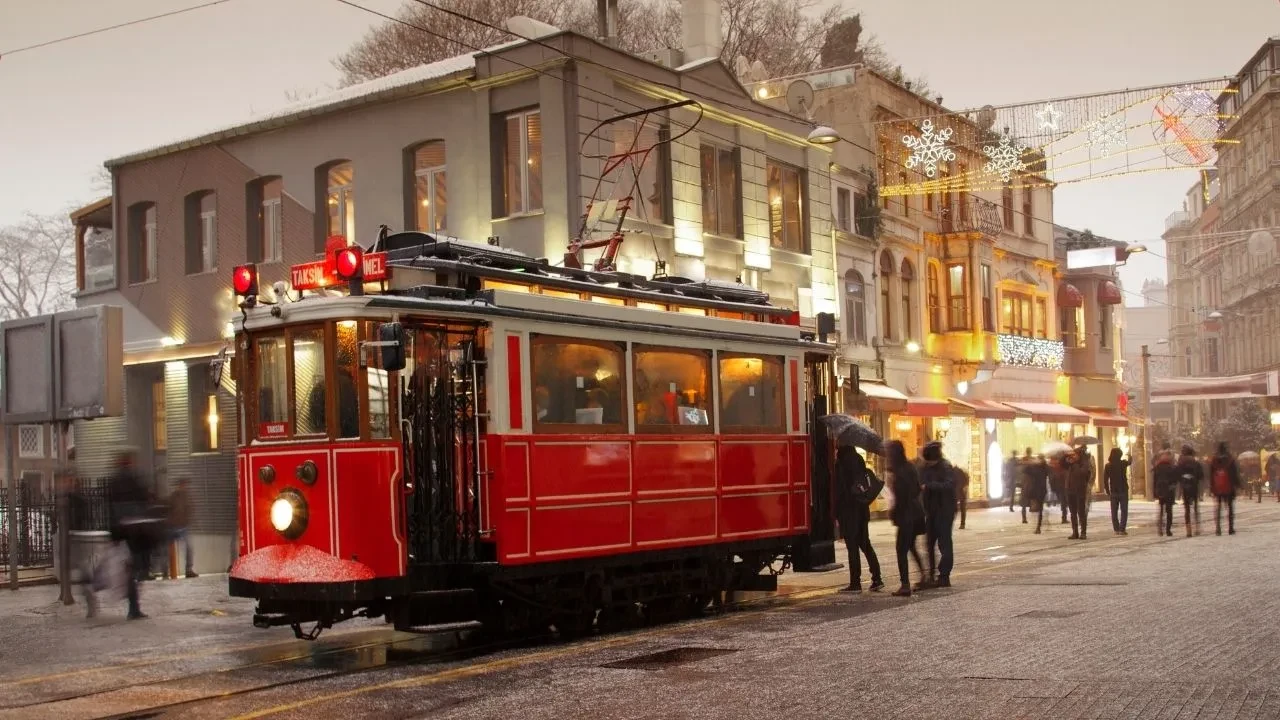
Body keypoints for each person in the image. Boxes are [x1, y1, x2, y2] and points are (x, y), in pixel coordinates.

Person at [108, 449, 151, 620]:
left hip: (121, 531)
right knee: (136, 567)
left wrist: (113, 535)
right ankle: (134, 605)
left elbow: (110, 507)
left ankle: (132, 602)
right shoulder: (135, 478)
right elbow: (144, 501)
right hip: (136, 531)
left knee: (128, 568)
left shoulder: (114, 481)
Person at [833, 446, 883, 593]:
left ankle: (855, 583)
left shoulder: (841, 463)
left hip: (849, 512)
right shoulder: (859, 459)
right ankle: (877, 578)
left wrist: (836, 513)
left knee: (852, 547)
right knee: (865, 544)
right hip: (861, 509)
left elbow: (840, 491)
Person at [886, 440, 926, 597]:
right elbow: (917, 489)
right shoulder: (910, 467)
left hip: (906, 515)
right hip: (916, 512)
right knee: (910, 546)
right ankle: (923, 575)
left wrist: (893, 510)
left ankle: (905, 585)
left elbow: (901, 496)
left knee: (901, 549)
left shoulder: (899, 471)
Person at [919, 442, 956, 589]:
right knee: (929, 543)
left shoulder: (946, 467)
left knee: (944, 543)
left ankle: (944, 576)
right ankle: (931, 574)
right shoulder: (926, 467)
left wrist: (930, 486)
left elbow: (949, 485)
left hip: (945, 510)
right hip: (931, 511)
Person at [1208, 442, 1242, 536]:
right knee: (1230, 507)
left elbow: (1211, 475)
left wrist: (1211, 487)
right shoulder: (1230, 459)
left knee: (1218, 507)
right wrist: (1238, 485)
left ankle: (1218, 528)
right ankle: (1230, 528)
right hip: (1229, 486)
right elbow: (1234, 473)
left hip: (1217, 487)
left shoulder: (1214, 460)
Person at [168, 477, 197, 578]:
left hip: (184, 526)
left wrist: (189, 520)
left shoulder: (188, 497)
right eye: (182, 485)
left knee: (189, 547)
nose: (184, 487)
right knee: (168, 549)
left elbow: (191, 509)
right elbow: (168, 510)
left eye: (185, 485)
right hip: (173, 526)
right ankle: (169, 571)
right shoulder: (173, 496)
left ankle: (188, 570)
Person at [1176, 445, 1203, 537]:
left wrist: (1182, 480)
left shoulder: (1181, 462)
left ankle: (1189, 530)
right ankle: (1197, 528)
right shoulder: (1195, 462)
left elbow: (1177, 474)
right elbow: (1201, 475)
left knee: (1187, 509)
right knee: (1195, 507)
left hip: (1185, 487)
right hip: (1194, 486)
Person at [1104, 448, 1131, 536]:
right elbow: (1130, 462)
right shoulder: (1123, 463)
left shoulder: (1108, 465)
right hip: (1123, 490)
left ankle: (1116, 529)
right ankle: (1122, 529)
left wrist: (1107, 490)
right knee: (1124, 510)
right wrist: (1129, 456)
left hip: (1113, 491)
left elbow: (1105, 479)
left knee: (1114, 511)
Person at [1065, 450, 1091, 540]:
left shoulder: (1084, 463)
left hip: (1080, 490)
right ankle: (1075, 532)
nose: (1073, 456)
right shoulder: (1070, 464)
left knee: (1081, 512)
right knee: (1073, 513)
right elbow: (1062, 463)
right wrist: (1067, 458)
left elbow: (1082, 473)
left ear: (1079, 455)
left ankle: (1083, 532)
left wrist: (1074, 464)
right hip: (1070, 490)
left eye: (1075, 455)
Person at [1153, 446, 1178, 537]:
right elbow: (1175, 480)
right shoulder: (1172, 467)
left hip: (1160, 491)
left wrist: (1154, 492)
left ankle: (1160, 529)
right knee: (1169, 511)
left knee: (1161, 511)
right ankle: (1168, 530)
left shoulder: (1158, 467)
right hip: (1169, 491)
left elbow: (1155, 481)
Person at [1023, 455, 1050, 534]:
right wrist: (1031, 463)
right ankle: (1038, 526)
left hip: (1041, 490)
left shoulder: (1044, 467)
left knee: (1040, 509)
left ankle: (1038, 526)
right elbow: (1025, 470)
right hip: (1034, 490)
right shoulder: (1035, 467)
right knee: (1037, 509)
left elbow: (1049, 472)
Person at [954, 465, 970, 530]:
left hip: (957, 492)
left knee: (957, 508)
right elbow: (967, 481)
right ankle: (962, 524)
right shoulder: (964, 471)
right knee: (962, 508)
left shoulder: (952, 471)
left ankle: (962, 523)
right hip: (961, 492)